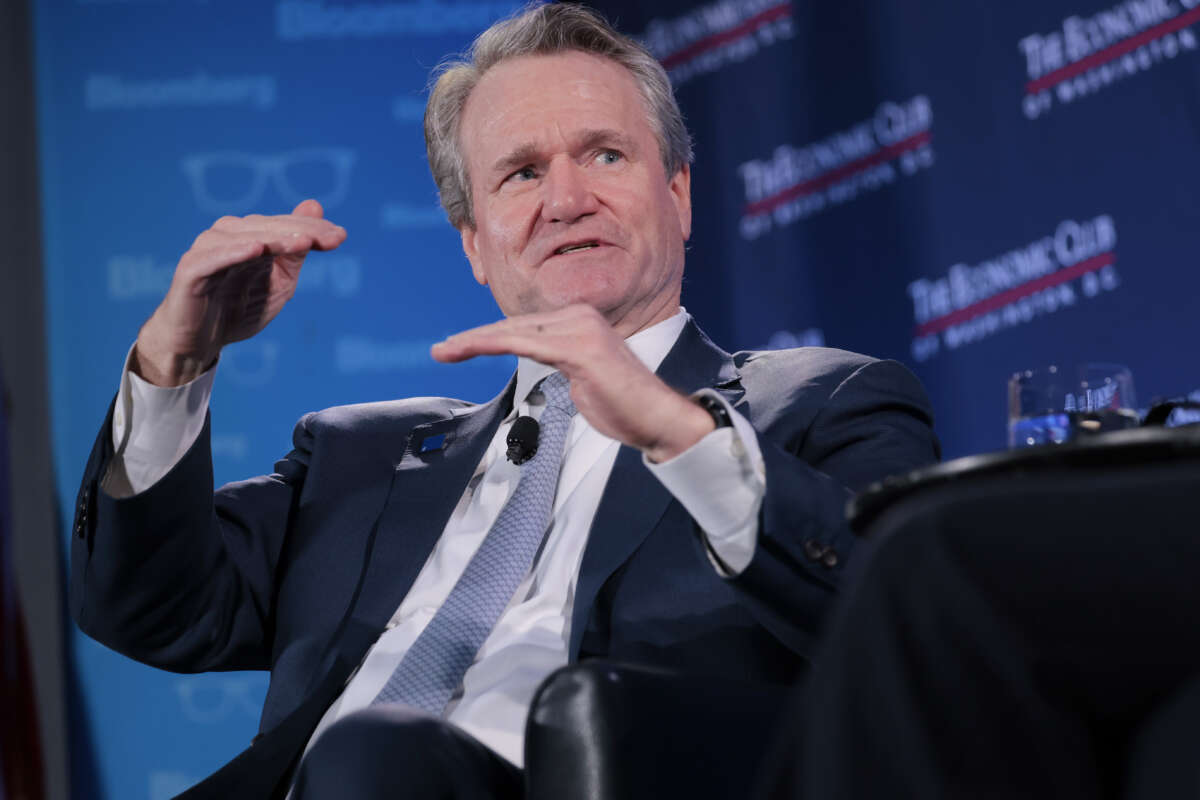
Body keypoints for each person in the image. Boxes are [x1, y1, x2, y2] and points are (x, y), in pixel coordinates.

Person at [69, 4, 939, 798]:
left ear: (677, 195)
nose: (566, 200)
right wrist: (173, 362)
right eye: (521, 173)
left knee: (373, 756)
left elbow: (910, 630)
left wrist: (678, 432)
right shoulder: (360, 459)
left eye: (605, 155)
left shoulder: (820, 403)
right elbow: (151, 611)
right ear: (476, 243)